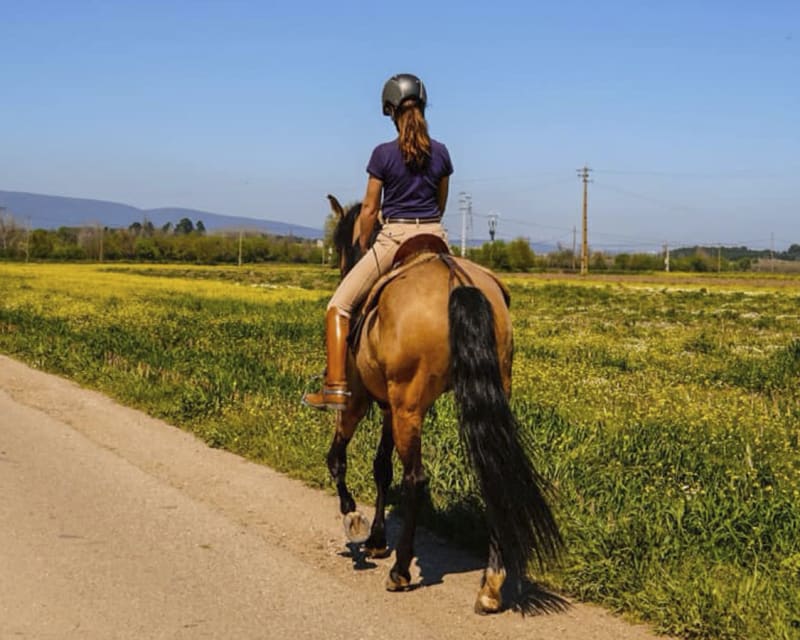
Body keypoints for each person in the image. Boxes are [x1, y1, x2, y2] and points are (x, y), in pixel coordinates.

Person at [303, 73, 453, 411]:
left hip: (395, 236)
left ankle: (336, 388)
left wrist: (366, 239)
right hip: (436, 236)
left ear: (390, 111)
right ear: (423, 106)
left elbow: (369, 209)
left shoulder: (383, 154)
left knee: (338, 307)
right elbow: (441, 205)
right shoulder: (442, 153)